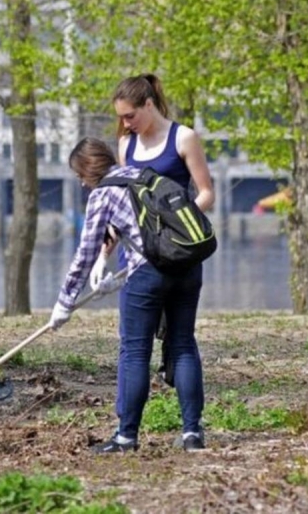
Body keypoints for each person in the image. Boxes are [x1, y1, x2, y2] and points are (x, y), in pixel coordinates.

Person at [51, 135, 213, 454]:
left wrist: (65, 302)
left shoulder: (102, 193)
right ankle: (193, 433)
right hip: (188, 266)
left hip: (149, 274)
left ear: (89, 169)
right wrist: (105, 264)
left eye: (80, 175)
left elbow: (84, 252)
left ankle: (126, 437)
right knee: (182, 343)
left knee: (135, 351)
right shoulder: (145, 176)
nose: (82, 183)